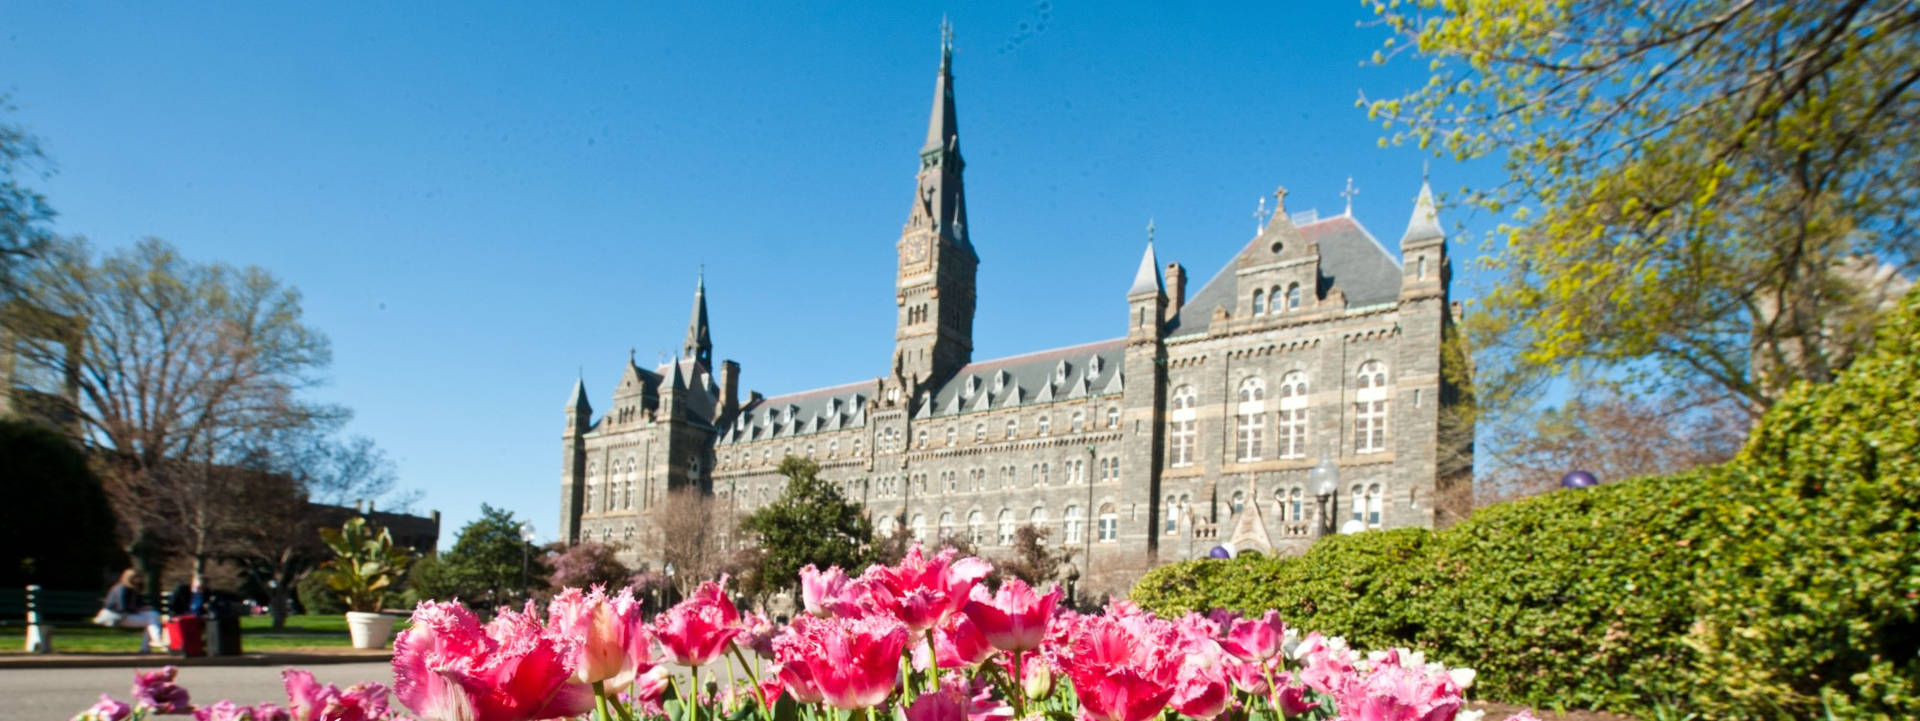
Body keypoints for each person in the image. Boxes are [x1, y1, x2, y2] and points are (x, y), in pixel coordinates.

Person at [100, 568, 165, 653]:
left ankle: (148, 646)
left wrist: (143, 608)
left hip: (126, 615)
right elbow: (122, 608)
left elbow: (138, 604)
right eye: (136, 578)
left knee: (152, 615)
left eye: (139, 577)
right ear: (129, 578)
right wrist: (139, 609)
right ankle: (154, 641)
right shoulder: (122, 589)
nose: (139, 580)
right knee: (152, 620)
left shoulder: (133, 589)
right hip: (118, 617)